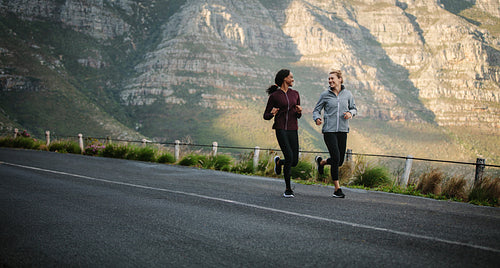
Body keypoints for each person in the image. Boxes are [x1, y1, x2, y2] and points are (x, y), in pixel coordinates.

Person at [312, 70, 357, 198]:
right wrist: (317, 119)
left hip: (343, 131)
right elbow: (316, 110)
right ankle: (337, 189)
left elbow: (354, 108)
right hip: (329, 131)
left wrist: (350, 113)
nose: (330, 81)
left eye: (332, 78)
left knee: (340, 161)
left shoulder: (348, 94)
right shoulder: (325, 95)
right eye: (329, 79)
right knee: (336, 157)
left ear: (340, 79)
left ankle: (322, 162)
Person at [263, 69, 302, 198]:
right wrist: (272, 114)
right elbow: (266, 115)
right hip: (281, 129)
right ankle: (288, 189)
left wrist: (299, 111)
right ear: (285, 79)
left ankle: (279, 162)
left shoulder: (295, 94)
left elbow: (297, 115)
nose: (293, 79)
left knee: (294, 161)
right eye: (291, 77)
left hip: (293, 129)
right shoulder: (274, 96)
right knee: (290, 157)